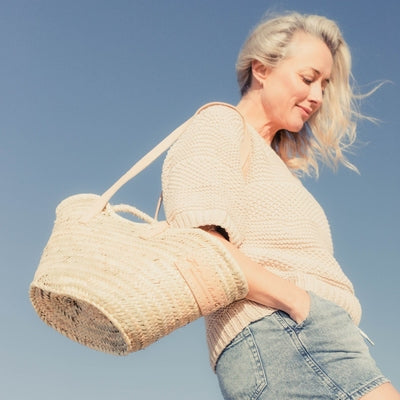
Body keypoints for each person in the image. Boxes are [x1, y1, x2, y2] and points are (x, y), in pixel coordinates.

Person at [161, 12, 400, 400]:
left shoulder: (274, 165)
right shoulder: (219, 125)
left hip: (307, 331)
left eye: (324, 85)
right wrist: (301, 304)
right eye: (308, 79)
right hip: (284, 330)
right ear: (262, 69)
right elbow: (199, 246)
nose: (318, 97)